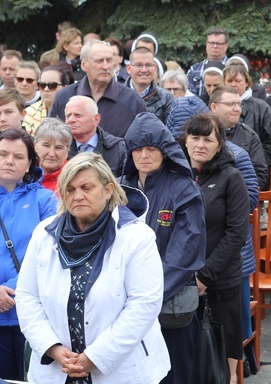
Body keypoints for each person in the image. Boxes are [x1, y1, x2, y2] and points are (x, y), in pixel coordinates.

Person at [15, 152, 170, 383]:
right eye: (70, 189)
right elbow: (27, 296)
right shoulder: (44, 233)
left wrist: (96, 357)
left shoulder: (137, 237)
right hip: (58, 368)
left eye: (87, 187)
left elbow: (144, 305)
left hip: (121, 371)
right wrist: (52, 348)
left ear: (108, 190)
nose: (77, 196)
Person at [120, 112, 207, 384]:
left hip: (169, 306)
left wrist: (145, 297)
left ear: (165, 151)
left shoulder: (184, 190)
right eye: (138, 149)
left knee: (174, 375)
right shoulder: (120, 189)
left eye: (151, 148)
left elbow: (184, 256)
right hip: (126, 305)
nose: (144, 155)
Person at [181, 113, 249, 382]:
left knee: (223, 357)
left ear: (219, 145)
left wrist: (205, 276)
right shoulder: (177, 176)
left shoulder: (231, 178)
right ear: (185, 141)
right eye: (195, 138)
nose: (200, 144)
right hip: (181, 281)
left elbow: (237, 233)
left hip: (220, 280)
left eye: (208, 139)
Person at [0, 129, 57, 381]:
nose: (9, 160)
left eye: (17, 156)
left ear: (29, 164)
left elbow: (50, 253)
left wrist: (12, 290)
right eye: (2, 154)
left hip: (31, 317)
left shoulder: (46, 201)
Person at [49, 40, 147, 138]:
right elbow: (51, 137)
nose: (105, 66)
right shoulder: (63, 97)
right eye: (99, 61)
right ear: (83, 65)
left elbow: (143, 142)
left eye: (109, 60)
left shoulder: (132, 101)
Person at [223, 64, 271, 172]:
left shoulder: (261, 107)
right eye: (229, 81)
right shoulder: (217, 106)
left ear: (246, 82)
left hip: (254, 171)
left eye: (237, 80)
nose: (233, 84)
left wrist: (254, 165)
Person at [210, 86, 268, 189]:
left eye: (239, 104)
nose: (237, 109)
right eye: (230, 104)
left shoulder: (250, 136)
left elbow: (259, 174)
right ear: (214, 107)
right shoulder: (200, 133)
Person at [65, 96, 126, 176]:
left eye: (77, 115)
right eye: (68, 116)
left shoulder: (118, 149)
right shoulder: (60, 148)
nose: (71, 120)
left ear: (96, 119)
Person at [23, 63, 73, 136]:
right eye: (42, 85)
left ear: (65, 88)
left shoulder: (75, 111)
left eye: (52, 85)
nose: (46, 89)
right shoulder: (29, 112)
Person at [126, 47, 174, 123]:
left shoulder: (166, 98)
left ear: (155, 68)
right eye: (139, 65)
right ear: (129, 68)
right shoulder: (117, 95)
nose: (144, 70)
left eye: (148, 65)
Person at [187, 28, 230, 96]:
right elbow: (190, 97)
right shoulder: (195, 69)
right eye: (212, 43)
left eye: (218, 43)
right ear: (206, 44)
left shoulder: (232, 68)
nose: (215, 46)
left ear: (226, 45)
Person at [34, 118, 72, 192]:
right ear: (35, 145)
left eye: (58, 147)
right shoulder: (23, 175)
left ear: (67, 149)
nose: (51, 154)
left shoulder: (73, 179)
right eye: (46, 145)